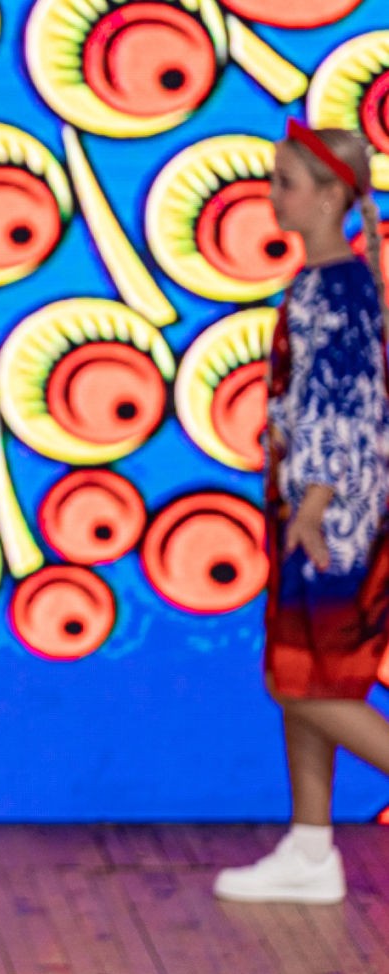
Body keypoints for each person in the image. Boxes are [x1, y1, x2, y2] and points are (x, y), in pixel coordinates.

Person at [214, 121, 389, 906]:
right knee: (300, 667)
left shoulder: (340, 289)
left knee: (307, 683)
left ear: (328, 197)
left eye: (285, 182)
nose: (271, 195)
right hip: (311, 499)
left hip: (334, 510)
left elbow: (346, 405)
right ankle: (311, 846)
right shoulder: (323, 281)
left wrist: (313, 504)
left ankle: (311, 846)